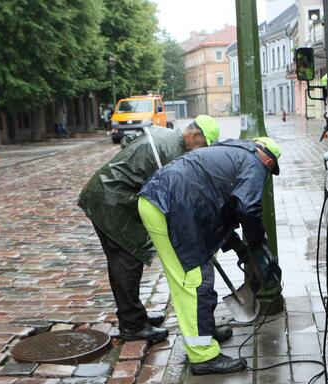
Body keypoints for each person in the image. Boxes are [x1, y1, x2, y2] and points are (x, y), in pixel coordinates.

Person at [137, 136, 282, 375]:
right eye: (270, 168)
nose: (267, 174)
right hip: (171, 208)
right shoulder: (254, 163)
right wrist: (256, 245)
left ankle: (206, 330)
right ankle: (203, 355)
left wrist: (238, 246)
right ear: (267, 158)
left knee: (200, 274)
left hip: (166, 202)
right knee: (194, 282)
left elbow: (224, 206)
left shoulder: (230, 151)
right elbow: (249, 209)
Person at [78, 116, 221, 343]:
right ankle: (132, 326)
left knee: (123, 261)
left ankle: (135, 315)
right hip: (111, 202)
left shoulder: (163, 134)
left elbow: (128, 140)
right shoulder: (172, 153)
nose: (201, 151)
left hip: (108, 196)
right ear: (195, 135)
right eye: (203, 145)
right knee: (127, 263)